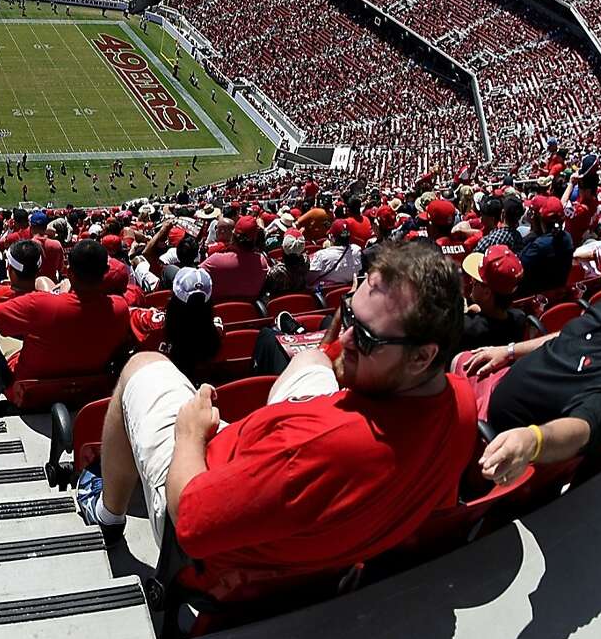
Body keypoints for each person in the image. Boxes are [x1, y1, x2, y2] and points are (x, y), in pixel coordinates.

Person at [77, 242, 475, 610]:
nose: (347, 338)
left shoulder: (313, 449)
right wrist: (342, 348)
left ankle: (107, 512)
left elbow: (190, 523)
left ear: (422, 357)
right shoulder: (460, 401)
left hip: (217, 531)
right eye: (349, 313)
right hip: (316, 500)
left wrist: (189, 435)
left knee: (142, 367)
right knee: (311, 361)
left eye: (368, 339)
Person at [462, 233, 601, 485]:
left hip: (493, 437)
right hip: (501, 379)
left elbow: (581, 429)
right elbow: (567, 336)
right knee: (464, 361)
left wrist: (532, 441)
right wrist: (510, 351)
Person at [0, 240, 130, 392]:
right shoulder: (120, 308)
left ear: (69, 272)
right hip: (88, 389)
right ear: (105, 270)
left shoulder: (39, 304)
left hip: (28, 391)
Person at [458, 245, 528, 350]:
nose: (471, 280)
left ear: (487, 293)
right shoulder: (520, 319)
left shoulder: (464, 328)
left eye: (475, 281)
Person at [515, 194, 575, 297]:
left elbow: (518, 266)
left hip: (533, 299)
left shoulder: (539, 246)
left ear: (542, 220)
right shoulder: (568, 237)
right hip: (558, 295)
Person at [201, 215, 266, 301]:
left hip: (218, 312)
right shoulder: (262, 262)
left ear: (233, 236)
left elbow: (195, 278)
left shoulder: (214, 261)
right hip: (252, 312)